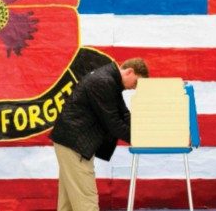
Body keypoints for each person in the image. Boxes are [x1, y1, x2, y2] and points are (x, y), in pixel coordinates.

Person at [49, 58, 149, 211]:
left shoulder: (110, 81)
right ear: (130, 72)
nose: (133, 88)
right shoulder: (104, 82)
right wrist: (142, 139)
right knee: (87, 201)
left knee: (68, 203)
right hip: (75, 144)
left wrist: (145, 131)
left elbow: (124, 114)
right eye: (135, 83)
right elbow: (114, 124)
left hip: (70, 142)